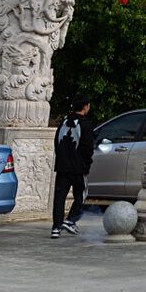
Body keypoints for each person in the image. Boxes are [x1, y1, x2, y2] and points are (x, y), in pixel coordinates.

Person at [51, 96, 96, 238]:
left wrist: (61, 160)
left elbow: (57, 143)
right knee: (81, 195)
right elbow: (88, 148)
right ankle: (70, 220)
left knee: (59, 197)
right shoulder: (85, 125)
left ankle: (56, 228)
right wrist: (86, 165)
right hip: (78, 168)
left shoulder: (63, 123)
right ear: (85, 106)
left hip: (62, 167)